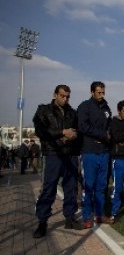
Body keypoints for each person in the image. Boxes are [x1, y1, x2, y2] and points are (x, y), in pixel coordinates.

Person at [32, 84, 84, 238]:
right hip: (53, 154)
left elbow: (78, 131)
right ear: (55, 95)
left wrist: (74, 136)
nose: (65, 98)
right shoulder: (44, 111)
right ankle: (42, 222)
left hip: (71, 154)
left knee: (71, 188)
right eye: (62, 95)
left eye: (68, 96)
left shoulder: (72, 113)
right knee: (49, 189)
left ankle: (70, 218)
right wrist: (62, 133)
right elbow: (41, 131)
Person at [77, 81, 112, 228]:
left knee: (102, 186)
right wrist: (103, 135)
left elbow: (109, 127)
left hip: (104, 152)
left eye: (103, 92)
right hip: (89, 151)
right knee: (89, 186)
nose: (101, 95)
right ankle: (86, 216)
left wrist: (109, 135)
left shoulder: (106, 108)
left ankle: (99, 215)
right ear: (92, 92)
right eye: (99, 92)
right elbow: (83, 127)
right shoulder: (84, 106)